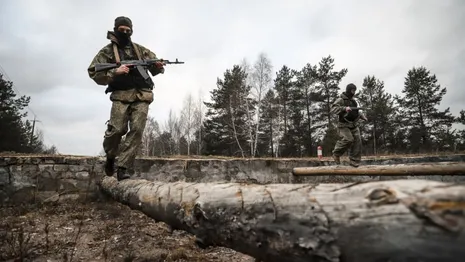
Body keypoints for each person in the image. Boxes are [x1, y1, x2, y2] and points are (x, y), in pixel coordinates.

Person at [87, 16, 165, 181]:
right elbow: (93, 71)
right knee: (116, 130)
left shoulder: (139, 50)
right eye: (121, 30)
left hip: (142, 95)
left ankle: (123, 167)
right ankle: (110, 156)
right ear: (116, 29)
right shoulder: (107, 52)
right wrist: (115, 72)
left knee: (137, 130)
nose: (125, 32)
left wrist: (158, 66)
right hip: (121, 95)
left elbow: (154, 64)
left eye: (128, 30)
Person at [330, 83, 367, 167]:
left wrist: (361, 116)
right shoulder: (341, 100)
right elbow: (333, 108)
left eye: (355, 91)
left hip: (353, 125)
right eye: (352, 90)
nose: (353, 92)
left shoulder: (354, 101)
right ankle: (336, 153)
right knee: (349, 139)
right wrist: (344, 108)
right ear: (348, 90)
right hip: (343, 125)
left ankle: (354, 161)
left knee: (357, 141)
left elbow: (356, 112)